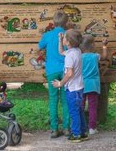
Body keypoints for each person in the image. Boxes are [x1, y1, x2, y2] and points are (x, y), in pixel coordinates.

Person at [38, 10, 70, 138]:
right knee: (65, 99)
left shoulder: (48, 35)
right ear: (66, 23)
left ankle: (54, 129)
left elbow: (39, 46)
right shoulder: (68, 35)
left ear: (53, 22)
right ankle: (67, 128)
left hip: (51, 70)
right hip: (66, 70)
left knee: (53, 99)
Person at [53, 29, 88, 143]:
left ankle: (76, 134)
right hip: (79, 87)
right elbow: (61, 51)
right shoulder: (76, 51)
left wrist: (60, 83)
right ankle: (83, 132)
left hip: (73, 89)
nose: (63, 39)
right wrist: (59, 39)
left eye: (64, 38)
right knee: (79, 110)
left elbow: (69, 73)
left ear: (68, 42)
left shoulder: (69, 56)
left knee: (74, 111)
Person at [80, 36, 108, 135]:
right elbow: (104, 57)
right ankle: (92, 128)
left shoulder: (79, 57)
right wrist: (104, 46)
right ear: (92, 45)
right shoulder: (95, 56)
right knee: (92, 107)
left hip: (81, 84)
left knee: (81, 106)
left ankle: (80, 126)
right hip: (93, 85)